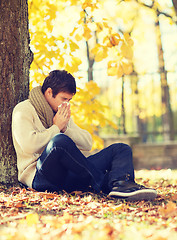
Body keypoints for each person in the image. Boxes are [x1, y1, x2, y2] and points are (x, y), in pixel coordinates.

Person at [12, 70, 157, 201]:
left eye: (69, 100)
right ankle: (105, 183)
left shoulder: (60, 113)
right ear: (49, 92)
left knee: (121, 149)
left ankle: (122, 184)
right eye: (64, 99)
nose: (66, 104)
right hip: (41, 177)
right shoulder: (24, 110)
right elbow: (29, 145)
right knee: (59, 142)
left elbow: (87, 143)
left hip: (69, 176)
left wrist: (64, 128)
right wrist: (56, 128)